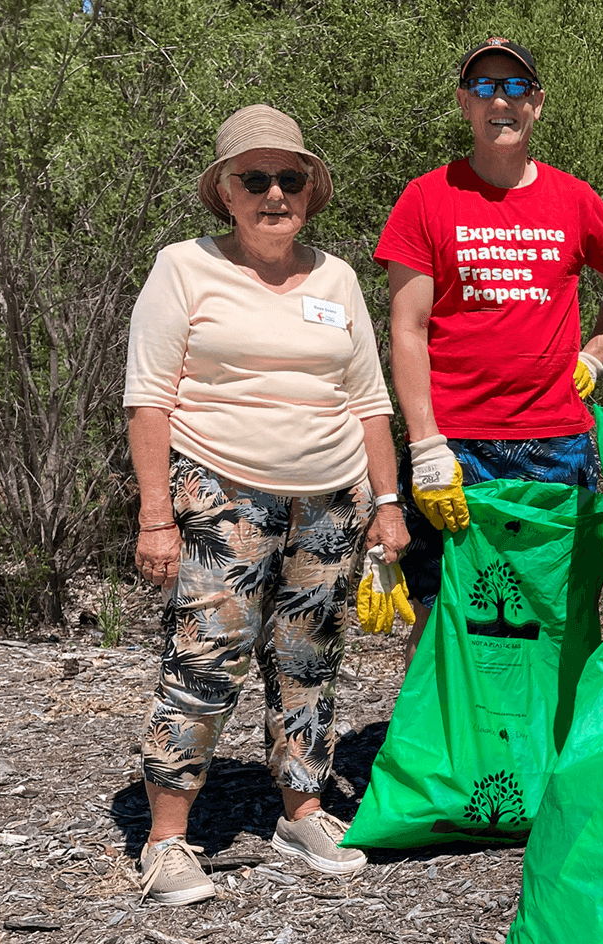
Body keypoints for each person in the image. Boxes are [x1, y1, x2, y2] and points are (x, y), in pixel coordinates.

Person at [123, 104, 406, 905]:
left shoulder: (337, 276)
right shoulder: (184, 266)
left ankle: (303, 810)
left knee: (308, 659)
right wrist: (155, 515)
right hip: (221, 491)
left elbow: (368, 400)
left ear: (310, 190)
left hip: (330, 500)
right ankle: (167, 839)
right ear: (227, 190)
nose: (275, 193)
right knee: (207, 660)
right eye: (257, 178)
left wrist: (387, 503)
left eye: (291, 178)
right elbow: (149, 399)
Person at [375, 38, 603, 664]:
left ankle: (544, 745)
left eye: (517, 88)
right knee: (443, 605)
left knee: (555, 603)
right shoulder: (426, 197)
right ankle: (439, 751)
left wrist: (595, 355)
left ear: (537, 105)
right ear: (465, 103)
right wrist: (424, 443)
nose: (502, 100)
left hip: (555, 439)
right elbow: (407, 328)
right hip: (456, 442)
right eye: (487, 88)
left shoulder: (574, 199)